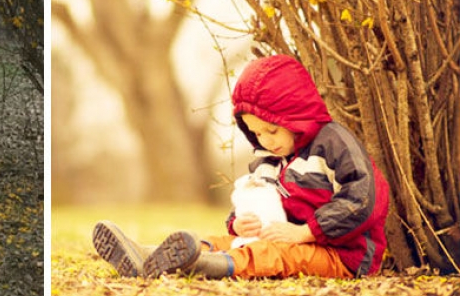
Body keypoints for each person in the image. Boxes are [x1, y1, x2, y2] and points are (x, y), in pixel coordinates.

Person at [92, 54, 389, 279]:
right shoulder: (271, 158)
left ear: (295, 118)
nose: (265, 140)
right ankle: (147, 254)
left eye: (272, 131)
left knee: (274, 253)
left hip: (344, 255)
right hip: (287, 236)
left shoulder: (333, 144)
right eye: (256, 133)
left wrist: (304, 233)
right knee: (228, 240)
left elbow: (363, 199)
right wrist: (239, 223)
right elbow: (254, 198)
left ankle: (203, 266)